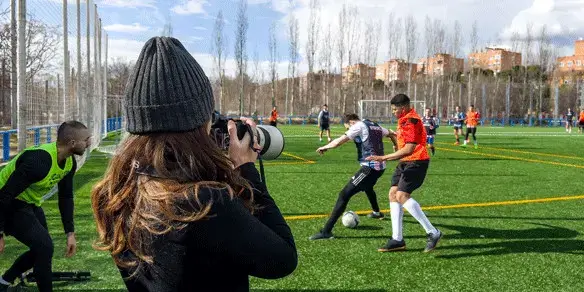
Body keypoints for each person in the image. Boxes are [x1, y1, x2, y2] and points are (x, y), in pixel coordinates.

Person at [90, 37, 297, 292]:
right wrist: (246, 168)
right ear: (197, 121)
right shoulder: (203, 202)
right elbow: (283, 258)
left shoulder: (115, 192)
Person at [0, 121, 90, 292]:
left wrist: (70, 233)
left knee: (42, 249)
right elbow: (4, 196)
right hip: (7, 202)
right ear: (72, 143)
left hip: (29, 202)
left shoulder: (69, 162)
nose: (89, 143)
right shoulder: (39, 161)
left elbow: (66, 197)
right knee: (44, 246)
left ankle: (4, 282)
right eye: (86, 139)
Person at [366, 94, 442, 253]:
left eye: (395, 109)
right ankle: (397, 240)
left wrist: (383, 157)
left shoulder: (411, 121)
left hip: (417, 161)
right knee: (393, 194)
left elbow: (410, 148)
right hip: (406, 161)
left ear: (404, 107)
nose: (393, 112)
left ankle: (433, 232)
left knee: (402, 195)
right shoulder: (404, 119)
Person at [309, 113, 397, 240]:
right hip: (380, 167)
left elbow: (339, 141)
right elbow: (391, 133)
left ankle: (326, 231)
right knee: (368, 187)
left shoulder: (359, 126)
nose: (348, 130)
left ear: (350, 122)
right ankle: (377, 212)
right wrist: (395, 145)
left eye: (347, 127)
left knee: (344, 194)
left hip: (369, 168)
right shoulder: (374, 125)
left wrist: (325, 147)